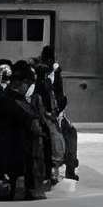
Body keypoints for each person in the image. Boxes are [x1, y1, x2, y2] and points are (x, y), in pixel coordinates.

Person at [0, 60, 45, 200]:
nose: (30, 88)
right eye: (29, 84)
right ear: (21, 82)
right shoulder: (10, 101)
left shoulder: (12, 99)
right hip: (12, 159)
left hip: (13, 159)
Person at [35, 49, 79, 182]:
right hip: (43, 117)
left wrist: (58, 111)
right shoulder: (40, 78)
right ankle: (55, 168)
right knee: (57, 136)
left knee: (70, 132)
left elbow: (58, 96)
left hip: (54, 114)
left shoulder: (54, 75)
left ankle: (70, 169)